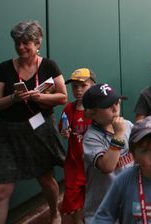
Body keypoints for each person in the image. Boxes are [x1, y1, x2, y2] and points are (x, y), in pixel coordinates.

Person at [0, 20, 67, 224]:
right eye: (18, 43)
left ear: (37, 42)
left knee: (46, 179)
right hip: (9, 133)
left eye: (26, 42)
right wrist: (13, 98)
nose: (21, 47)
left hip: (40, 128)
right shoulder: (4, 68)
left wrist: (39, 98)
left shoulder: (49, 66)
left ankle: (54, 213)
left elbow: (62, 97)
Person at [82, 83, 133, 223]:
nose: (115, 108)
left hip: (127, 203)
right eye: (108, 105)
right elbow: (107, 166)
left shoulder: (128, 125)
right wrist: (119, 134)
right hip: (102, 209)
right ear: (92, 112)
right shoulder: (91, 137)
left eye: (116, 102)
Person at [59, 68, 95, 224]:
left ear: (93, 86)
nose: (78, 90)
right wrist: (64, 131)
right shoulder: (69, 108)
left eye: (83, 85)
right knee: (74, 208)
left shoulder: (98, 110)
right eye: (74, 86)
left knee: (94, 204)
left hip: (94, 165)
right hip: (74, 166)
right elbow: (63, 128)